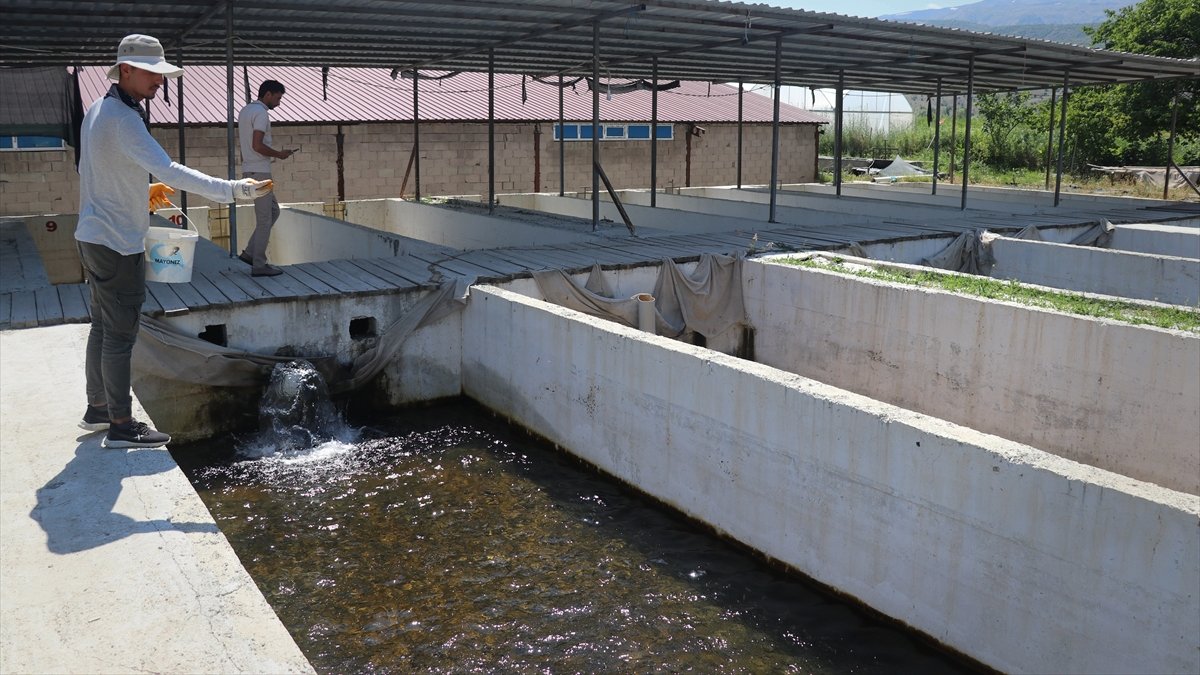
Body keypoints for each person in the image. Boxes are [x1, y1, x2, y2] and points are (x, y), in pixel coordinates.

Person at [76, 34, 273, 449]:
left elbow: (94, 168)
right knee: (120, 335)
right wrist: (233, 190)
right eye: (152, 73)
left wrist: (137, 190)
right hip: (117, 243)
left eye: (161, 74)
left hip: (92, 236)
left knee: (102, 326)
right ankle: (120, 425)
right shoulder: (124, 118)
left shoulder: (97, 109)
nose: (159, 81)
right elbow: (171, 170)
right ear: (125, 70)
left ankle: (98, 408)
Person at [236, 79, 293, 277]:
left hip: (251, 170)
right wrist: (279, 154)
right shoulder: (261, 113)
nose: (278, 102)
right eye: (277, 98)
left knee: (273, 211)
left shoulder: (246, 110)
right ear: (267, 94)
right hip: (259, 172)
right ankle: (259, 265)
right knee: (264, 219)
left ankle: (249, 254)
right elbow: (257, 145)